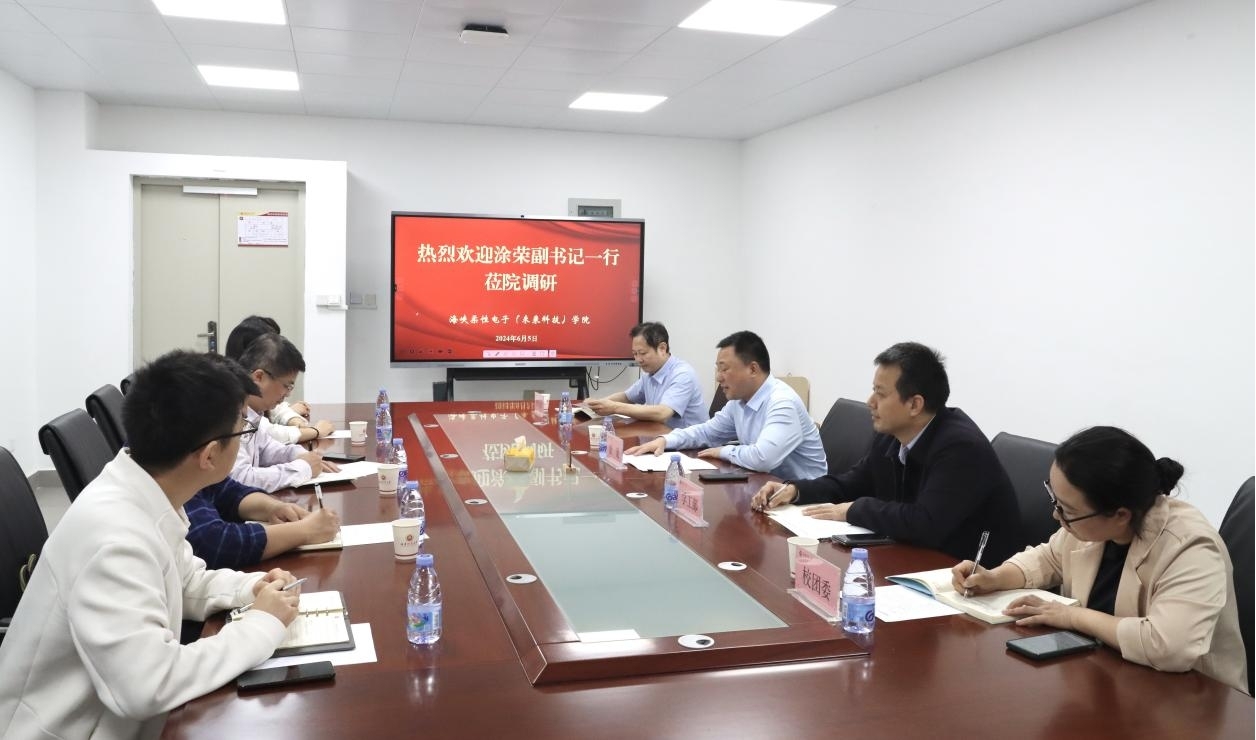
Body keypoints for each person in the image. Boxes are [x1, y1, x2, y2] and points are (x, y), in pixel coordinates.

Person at [0, 350, 301, 738]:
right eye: (243, 426)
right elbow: (147, 685)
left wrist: (250, 588)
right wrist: (262, 625)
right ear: (210, 455)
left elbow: (184, 579)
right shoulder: (114, 537)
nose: (247, 431)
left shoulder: (148, 487)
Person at [950, 426, 1248, 693]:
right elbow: (1050, 557)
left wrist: (1071, 616)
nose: (1056, 515)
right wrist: (995, 577)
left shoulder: (1190, 547)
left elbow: (1168, 645)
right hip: (1107, 678)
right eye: (1054, 500)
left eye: (1066, 510)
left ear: (1120, 515)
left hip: (1191, 702)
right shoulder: (1093, 524)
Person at [752, 342, 1021, 564]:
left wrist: (855, 510)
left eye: (880, 394)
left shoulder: (961, 448)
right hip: (912, 560)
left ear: (915, 404)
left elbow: (925, 523)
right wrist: (795, 490)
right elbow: (853, 482)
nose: (870, 402)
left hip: (969, 579)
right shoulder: (892, 435)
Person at [626, 331, 826, 480]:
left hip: (804, 501)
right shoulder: (739, 401)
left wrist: (723, 451)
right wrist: (665, 440)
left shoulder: (782, 403)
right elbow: (707, 432)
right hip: (765, 487)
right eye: (717, 369)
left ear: (753, 369)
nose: (718, 377)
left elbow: (763, 458)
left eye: (724, 369)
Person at [232, 332, 338, 491]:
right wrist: (303, 468)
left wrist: (302, 456)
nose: (288, 394)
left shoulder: (254, 412)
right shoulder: (230, 413)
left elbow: (267, 448)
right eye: (287, 386)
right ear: (259, 377)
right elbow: (241, 479)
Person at [225, 315, 333, 444]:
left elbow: (273, 412)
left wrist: (292, 417)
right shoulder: (232, 403)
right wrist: (315, 431)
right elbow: (268, 433)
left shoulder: (252, 395)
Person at [585, 321, 708, 428]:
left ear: (662, 348)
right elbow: (627, 397)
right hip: (662, 436)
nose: (638, 360)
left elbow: (662, 413)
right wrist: (597, 404)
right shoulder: (650, 372)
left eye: (643, 353)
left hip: (690, 445)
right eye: (635, 354)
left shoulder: (682, 374)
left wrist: (615, 407)